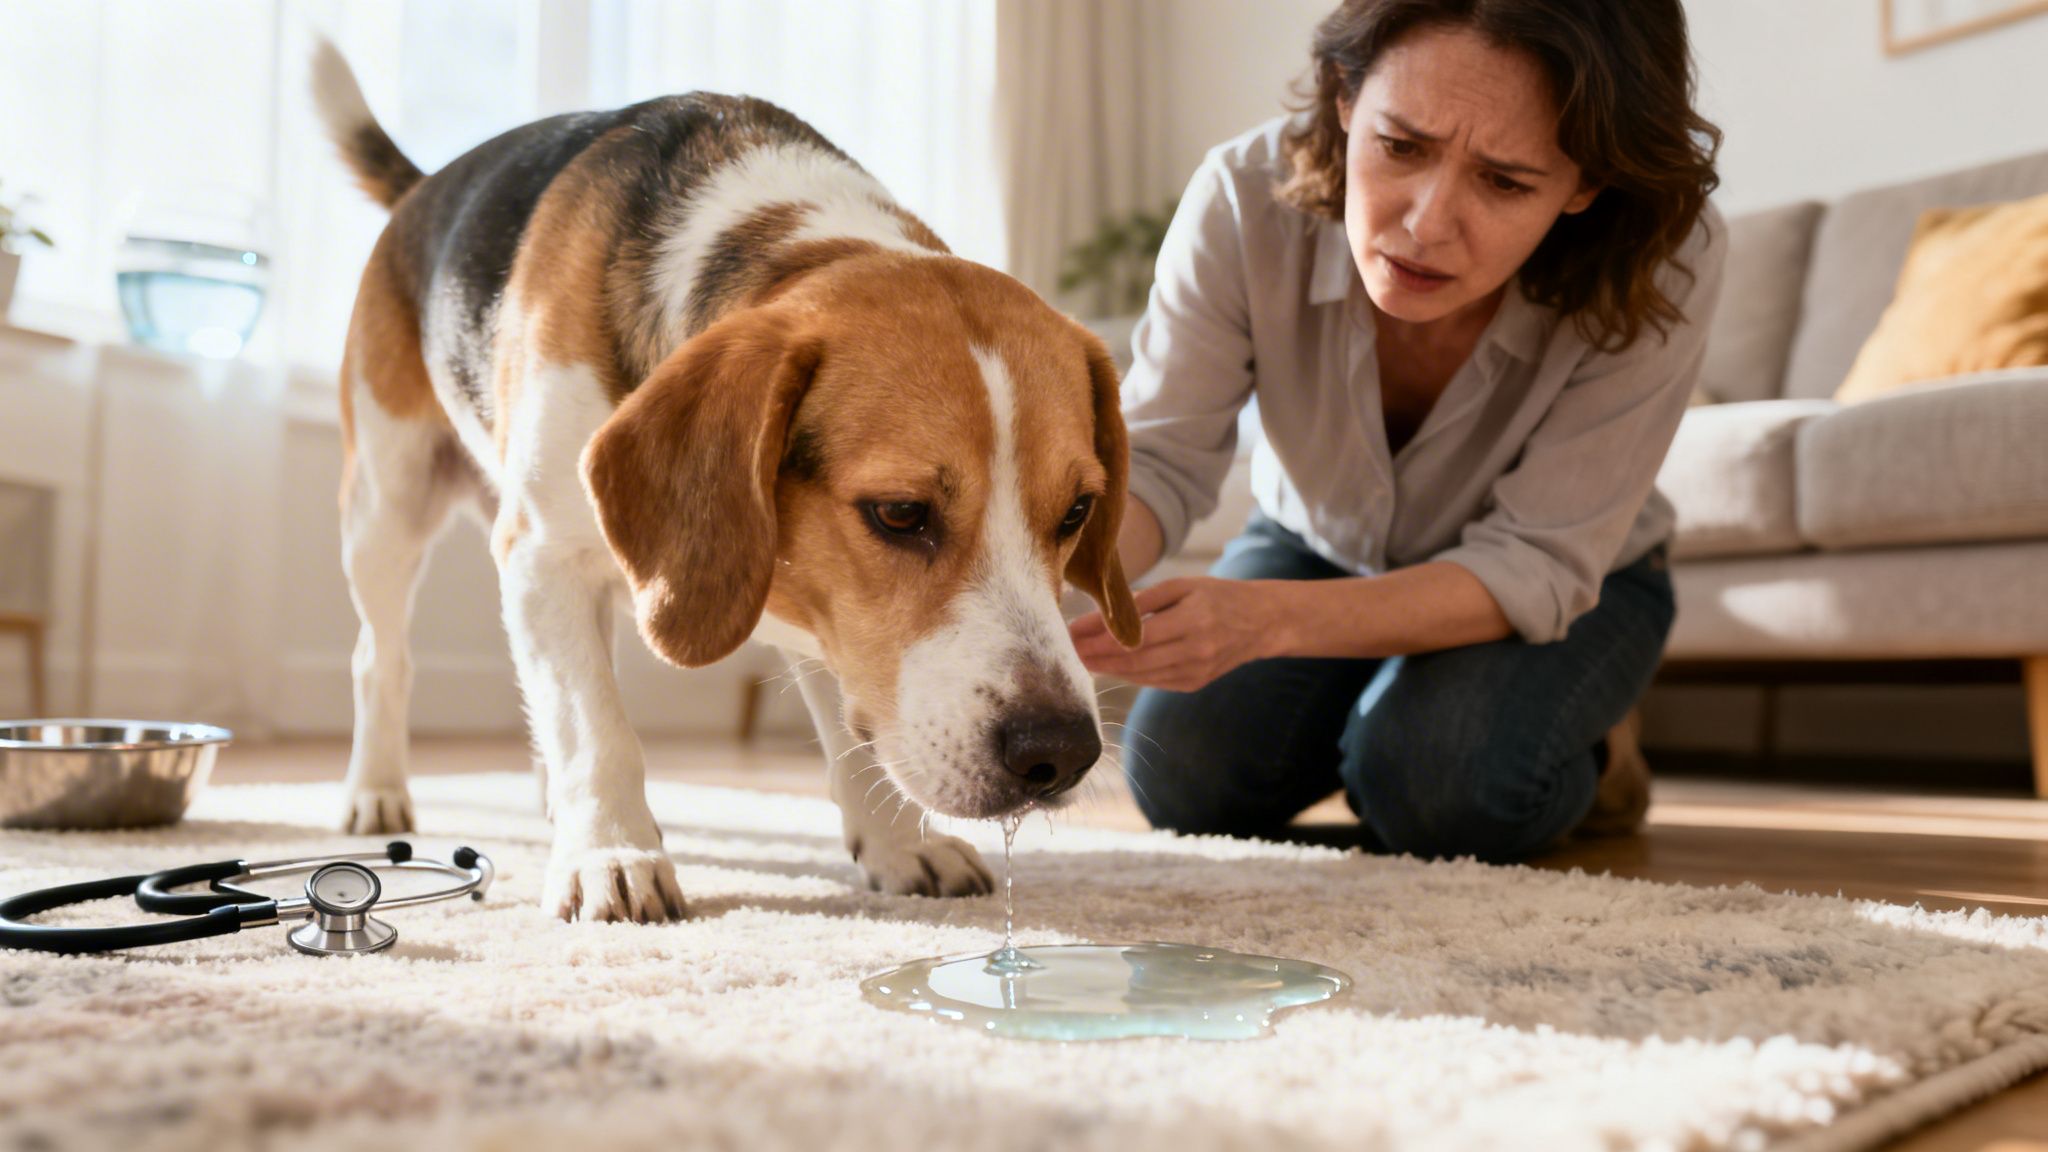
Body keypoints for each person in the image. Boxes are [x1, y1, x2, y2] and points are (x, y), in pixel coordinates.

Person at [1067, 0, 1724, 861]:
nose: (1425, 223)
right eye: (1401, 146)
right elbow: (1159, 460)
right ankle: (1395, 710)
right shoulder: (1240, 196)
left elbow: (1536, 560)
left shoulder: (1668, 258)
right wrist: (1037, 586)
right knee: (1183, 776)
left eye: (1505, 181)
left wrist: (1267, 624)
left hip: (1569, 580)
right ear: (1344, 97)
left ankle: (1591, 754)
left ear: (1587, 184)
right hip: (1317, 543)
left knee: (1437, 786)